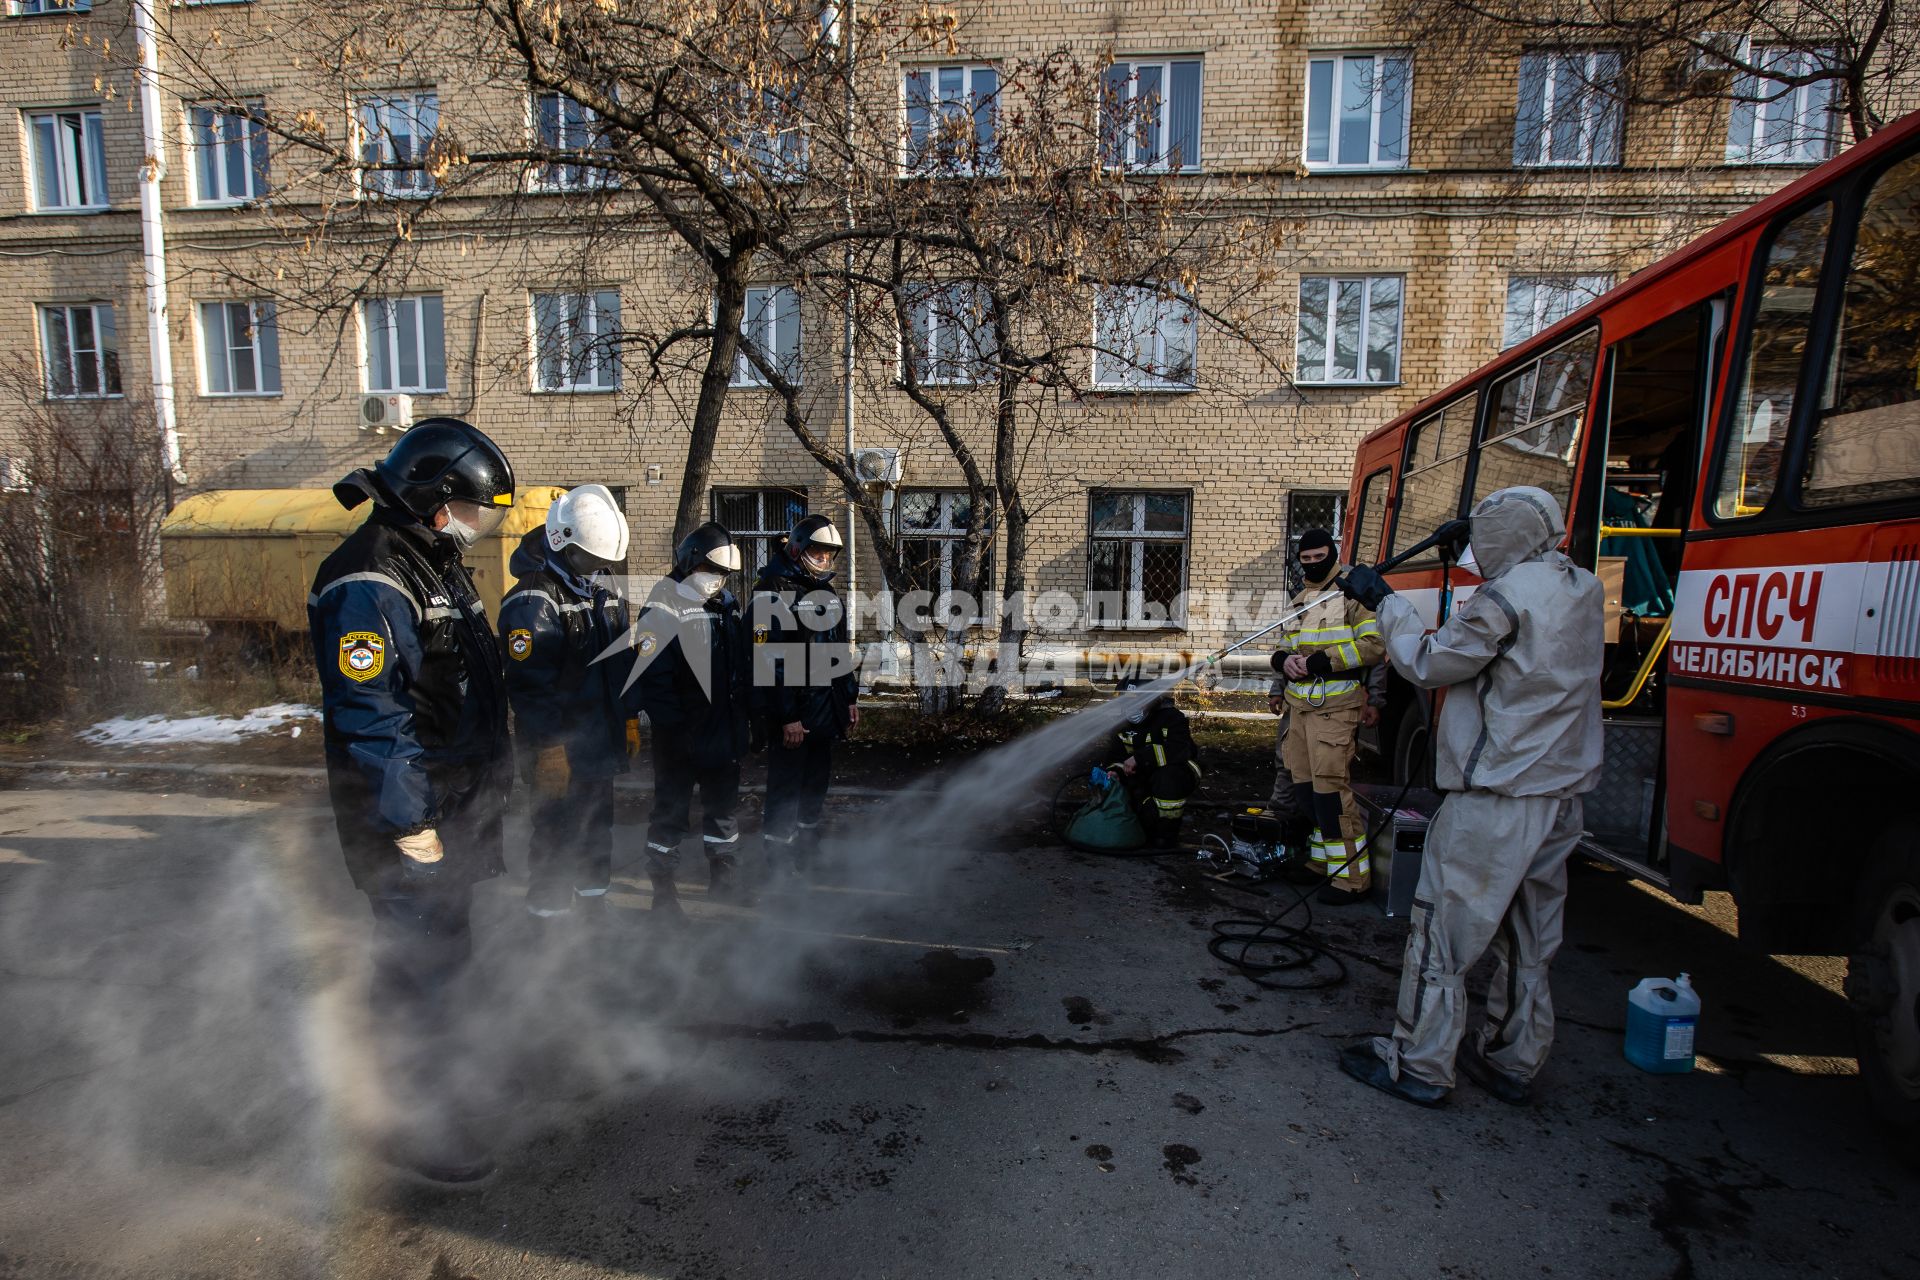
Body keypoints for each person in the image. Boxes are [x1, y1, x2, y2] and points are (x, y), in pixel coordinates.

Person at [1332, 485, 1603, 1108]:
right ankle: (1513, 1060)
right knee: (1530, 938)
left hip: (1498, 799)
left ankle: (1419, 1065)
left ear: (1499, 537)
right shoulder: (1581, 587)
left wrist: (1385, 602)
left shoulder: (1504, 598)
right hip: (1559, 797)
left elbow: (1430, 662)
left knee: (1442, 931)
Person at [307, 417, 515, 1185]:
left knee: (441, 960)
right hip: (410, 820)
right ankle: (410, 1125)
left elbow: (459, 683)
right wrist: (410, 826)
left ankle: (433, 1093)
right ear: (434, 498)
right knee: (417, 968)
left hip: (448, 807)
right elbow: (372, 714)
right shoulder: (370, 576)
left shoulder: (430, 562)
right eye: (473, 509)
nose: (478, 525)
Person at [497, 484, 632, 919]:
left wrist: (626, 719)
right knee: (555, 833)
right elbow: (530, 687)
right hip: (558, 748)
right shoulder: (533, 600)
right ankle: (547, 919)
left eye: (602, 562)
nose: (597, 569)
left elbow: (618, 664)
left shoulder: (602, 591)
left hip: (597, 742)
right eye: (589, 560)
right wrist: (550, 747)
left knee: (597, 828)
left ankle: (594, 908)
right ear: (562, 542)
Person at [630, 521, 752, 918]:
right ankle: (663, 894)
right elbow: (653, 679)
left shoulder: (726, 605)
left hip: (721, 731)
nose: (719, 580)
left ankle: (725, 880)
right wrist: (674, 729)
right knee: (669, 815)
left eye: (725, 575)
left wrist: (747, 721)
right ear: (690, 563)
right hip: (680, 737)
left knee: (723, 810)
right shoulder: (661, 607)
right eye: (712, 572)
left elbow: (739, 668)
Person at [1269, 528, 1385, 905]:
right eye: (1307, 560)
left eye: (1321, 558)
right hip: (1299, 710)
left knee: (1332, 793)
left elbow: (1374, 646)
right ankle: (1323, 863)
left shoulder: (1353, 594)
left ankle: (1352, 879)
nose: (1314, 565)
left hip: (1335, 709)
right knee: (1306, 792)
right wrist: (1282, 663)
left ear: (1332, 555)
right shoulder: (1300, 599)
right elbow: (1285, 646)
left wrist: (1323, 661)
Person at [750, 513, 859, 879]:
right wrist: (787, 716)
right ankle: (778, 865)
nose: (824, 560)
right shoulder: (771, 591)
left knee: (814, 787)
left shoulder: (825, 594)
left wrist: (849, 697)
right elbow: (768, 660)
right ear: (797, 549)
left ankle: (807, 856)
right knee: (785, 790)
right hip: (793, 714)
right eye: (817, 552)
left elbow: (839, 652)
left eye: (830, 555)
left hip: (824, 710)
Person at [1106, 680, 1204, 847]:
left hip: (1177, 772)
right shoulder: (1121, 724)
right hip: (1142, 774)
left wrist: (1140, 758)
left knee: (1167, 779)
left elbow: (1178, 750)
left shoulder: (1171, 718)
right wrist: (1115, 771)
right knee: (1119, 788)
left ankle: (1166, 834)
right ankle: (1139, 829)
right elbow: (1115, 756)